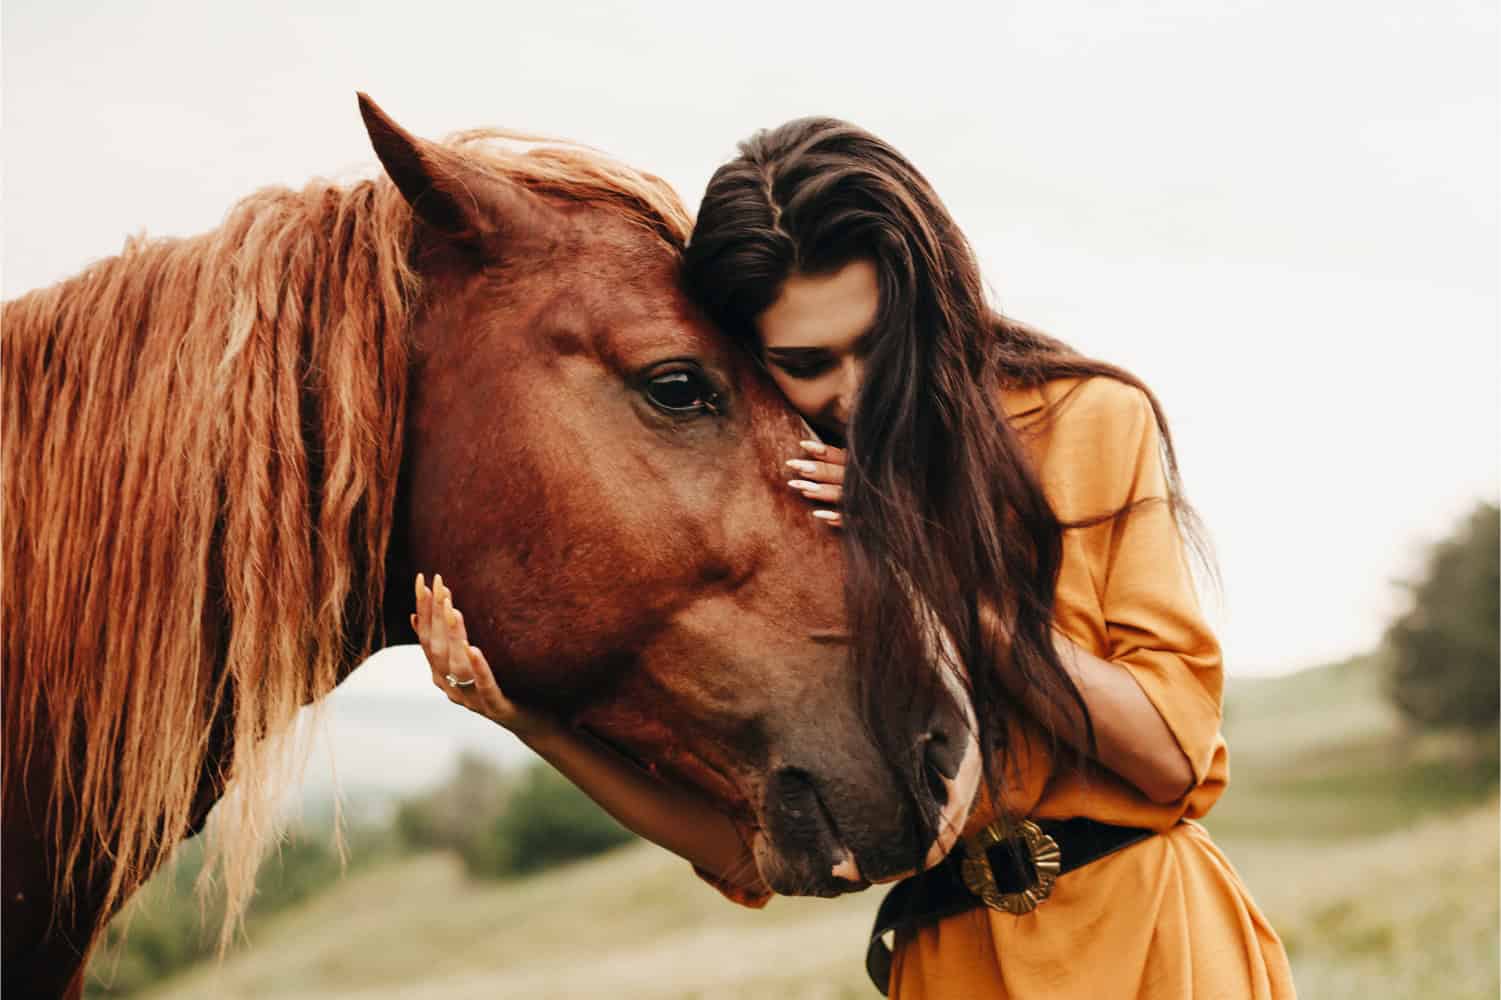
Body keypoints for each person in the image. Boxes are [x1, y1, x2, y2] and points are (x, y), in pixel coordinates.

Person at [412, 118, 1295, 999]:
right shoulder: (785, 492)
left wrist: (919, 558)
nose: (858, 393)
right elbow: (743, 856)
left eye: (878, 344)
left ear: (930, 297)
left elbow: (1169, 759)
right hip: (949, 968)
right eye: (806, 363)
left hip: (1152, 944)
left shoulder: (1080, 420)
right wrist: (526, 721)